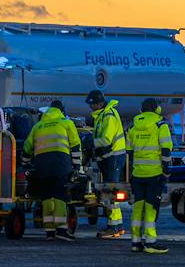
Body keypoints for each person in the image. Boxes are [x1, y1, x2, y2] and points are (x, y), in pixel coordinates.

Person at [27, 99, 82, 241]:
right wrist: (77, 167)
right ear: (62, 110)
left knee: (46, 197)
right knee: (59, 196)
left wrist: (25, 164)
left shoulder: (38, 126)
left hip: (41, 166)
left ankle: (49, 232)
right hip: (60, 164)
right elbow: (75, 146)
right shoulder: (66, 123)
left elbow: (27, 148)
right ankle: (61, 230)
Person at [127, 97, 171, 255]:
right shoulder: (160, 125)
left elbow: (129, 151)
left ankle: (136, 242)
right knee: (151, 208)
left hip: (138, 174)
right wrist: (166, 170)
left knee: (138, 208)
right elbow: (166, 151)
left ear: (141, 110)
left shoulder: (133, 125)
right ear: (157, 109)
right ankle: (150, 242)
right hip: (154, 174)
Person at [87, 90, 129, 239]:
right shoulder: (102, 115)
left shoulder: (108, 116)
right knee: (110, 192)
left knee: (111, 192)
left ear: (98, 103)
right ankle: (117, 226)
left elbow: (106, 140)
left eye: (92, 104)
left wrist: (89, 142)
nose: (90, 107)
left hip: (113, 158)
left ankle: (114, 227)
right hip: (109, 158)